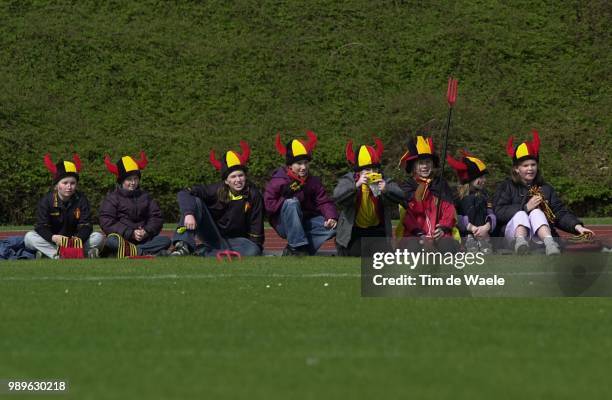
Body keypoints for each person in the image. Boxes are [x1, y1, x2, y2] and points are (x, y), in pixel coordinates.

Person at [493, 130, 594, 255]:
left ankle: (550, 244)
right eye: (525, 165)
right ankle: (520, 244)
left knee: (536, 212)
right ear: (516, 169)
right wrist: (525, 207)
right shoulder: (505, 186)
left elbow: (559, 212)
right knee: (520, 214)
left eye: (533, 164)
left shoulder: (546, 188)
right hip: (511, 236)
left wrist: (577, 227)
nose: (530, 169)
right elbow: (498, 211)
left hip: (538, 239)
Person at [171, 141, 264, 257]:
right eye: (233, 176)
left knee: (252, 250)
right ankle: (182, 245)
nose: (238, 180)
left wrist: (257, 248)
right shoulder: (214, 190)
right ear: (226, 180)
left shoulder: (254, 195)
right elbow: (184, 193)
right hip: (212, 234)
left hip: (237, 241)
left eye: (241, 175)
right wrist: (189, 213)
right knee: (196, 201)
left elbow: (256, 225)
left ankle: (203, 252)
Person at [264, 131, 338, 256]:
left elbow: (324, 201)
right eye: (299, 163)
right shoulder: (278, 180)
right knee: (292, 203)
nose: (303, 167)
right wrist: (284, 197)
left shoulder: (313, 181)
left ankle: (295, 249)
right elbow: (268, 206)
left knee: (335, 227)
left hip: (306, 221)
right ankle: (298, 246)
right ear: (290, 165)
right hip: (284, 224)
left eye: (306, 162)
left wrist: (331, 217)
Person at [333, 137, 405, 256]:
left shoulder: (383, 179)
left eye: (374, 168)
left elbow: (400, 195)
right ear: (359, 171)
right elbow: (337, 197)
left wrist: (386, 190)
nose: (372, 172)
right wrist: (356, 186)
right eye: (367, 169)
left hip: (376, 231)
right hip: (354, 232)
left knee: (385, 258)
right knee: (356, 255)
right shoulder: (349, 179)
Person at [24, 154, 104, 259]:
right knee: (29, 237)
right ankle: (68, 254)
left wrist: (78, 239)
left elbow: (86, 225)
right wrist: (53, 237)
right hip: (54, 241)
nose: (69, 186)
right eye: (65, 183)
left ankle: (52, 255)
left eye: (73, 183)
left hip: (75, 242)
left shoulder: (81, 199)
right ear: (57, 185)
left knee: (98, 237)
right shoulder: (46, 201)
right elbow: (41, 226)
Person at [99, 152, 171, 258]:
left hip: (144, 239)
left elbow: (156, 217)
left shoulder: (146, 196)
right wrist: (130, 233)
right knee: (111, 241)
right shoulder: (112, 198)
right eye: (129, 179)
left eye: (135, 179)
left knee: (166, 240)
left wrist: (146, 231)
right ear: (122, 181)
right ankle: (145, 253)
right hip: (123, 239)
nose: (133, 183)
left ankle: (132, 252)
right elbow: (106, 221)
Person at [396, 135, 458, 252]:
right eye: (420, 163)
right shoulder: (407, 186)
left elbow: (449, 209)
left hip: (439, 233)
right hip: (415, 233)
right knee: (412, 249)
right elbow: (407, 214)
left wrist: (443, 227)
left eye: (428, 162)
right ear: (414, 166)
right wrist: (418, 233)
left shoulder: (440, 183)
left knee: (449, 247)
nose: (425, 166)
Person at [447, 149, 496, 254]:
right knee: (470, 199)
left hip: (483, 230)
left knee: (478, 200)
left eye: (484, 177)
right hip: (466, 230)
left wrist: (487, 226)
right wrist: (470, 227)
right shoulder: (456, 195)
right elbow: (453, 215)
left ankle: (482, 240)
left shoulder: (484, 194)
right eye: (480, 177)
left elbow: (490, 212)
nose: (484, 180)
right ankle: (469, 239)